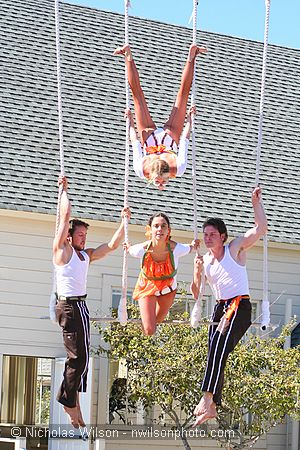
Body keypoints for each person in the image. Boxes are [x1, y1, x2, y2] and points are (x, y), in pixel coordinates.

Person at [53, 175, 130, 428]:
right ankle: (68, 402)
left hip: (80, 306)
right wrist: (64, 191)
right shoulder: (62, 251)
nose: (84, 239)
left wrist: (123, 223)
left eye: (86, 235)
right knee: (77, 358)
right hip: (69, 305)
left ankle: (71, 400)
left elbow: (110, 246)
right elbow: (64, 218)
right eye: (80, 235)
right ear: (70, 236)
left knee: (83, 357)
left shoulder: (84, 256)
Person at [192, 187, 268, 426]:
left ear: (223, 236)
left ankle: (207, 398)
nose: (208, 238)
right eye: (205, 234)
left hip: (238, 305)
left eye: (212, 234)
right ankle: (213, 404)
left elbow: (260, 230)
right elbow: (196, 293)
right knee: (214, 351)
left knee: (219, 347)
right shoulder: (205, 261)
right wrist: (195, 272)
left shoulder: (234, 248)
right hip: (219, 308)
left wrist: (256, 204)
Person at [114, 44, 207, 189]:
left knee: (178, 97)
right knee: (142, 96)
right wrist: (189, 120)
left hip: (162, 138)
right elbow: (183, 140)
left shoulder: (175, 168)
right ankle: (128, 56)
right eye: (163, 182)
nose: (161, 185)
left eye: (158, 182)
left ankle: (129, 56)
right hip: (161, 137)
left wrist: (130, 122)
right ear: (167, 174)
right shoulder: (145, 169)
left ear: (152, 175)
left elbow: (135, 142)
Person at [124, 212, 199, 335]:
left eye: (163, 226)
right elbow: (130, 249)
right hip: (147, 288)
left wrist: (193, 245)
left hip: (167, 289)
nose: (160, 229)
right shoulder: (141, 250)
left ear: (168, 230)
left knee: (157, 320)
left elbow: (190, 248)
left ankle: (145, 338)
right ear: (150, 230)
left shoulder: (177, 249)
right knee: (149, 330)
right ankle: (142, 334)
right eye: (156, 226)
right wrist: (128, 245)